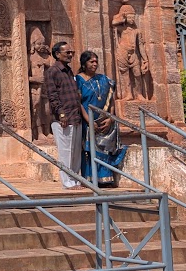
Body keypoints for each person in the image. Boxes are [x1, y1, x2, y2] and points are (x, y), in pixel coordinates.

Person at [76, 50, 126, 188]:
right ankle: (90, 179)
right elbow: (79, 103)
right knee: (90, 150)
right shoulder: (78, 80)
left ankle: (105, 179)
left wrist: (110, 117)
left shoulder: (104, 79)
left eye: (96, 61)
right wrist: (88, 120)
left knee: (105, 150)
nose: (95, 64)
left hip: (105, 120)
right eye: (91, 61)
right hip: (89, 120)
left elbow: (111, 101)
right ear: (84, 64)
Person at [44, 40, 81, 188]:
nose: (70, 55)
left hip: (75, 116)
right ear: (58, 54)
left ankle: (76, 180)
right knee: (66, 152)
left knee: (76, 151)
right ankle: (67, 183)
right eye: (67, 52)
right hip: (64, 117)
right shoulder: (53, 71)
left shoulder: (69, 71)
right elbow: (52, 95)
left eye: (71, 52)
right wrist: (61, 114)